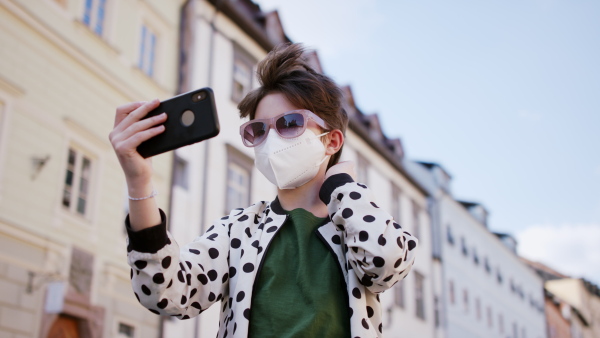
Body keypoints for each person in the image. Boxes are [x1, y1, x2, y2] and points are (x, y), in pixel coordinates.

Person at [109, 43, 419, 338]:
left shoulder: (358, 224)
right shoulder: (240, 229)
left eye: (288, 123)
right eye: (258, 130)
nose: (271, 139)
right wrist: (139, 182)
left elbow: (386, 263)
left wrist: (344, 188)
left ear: (331, 141)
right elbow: (168, 292)